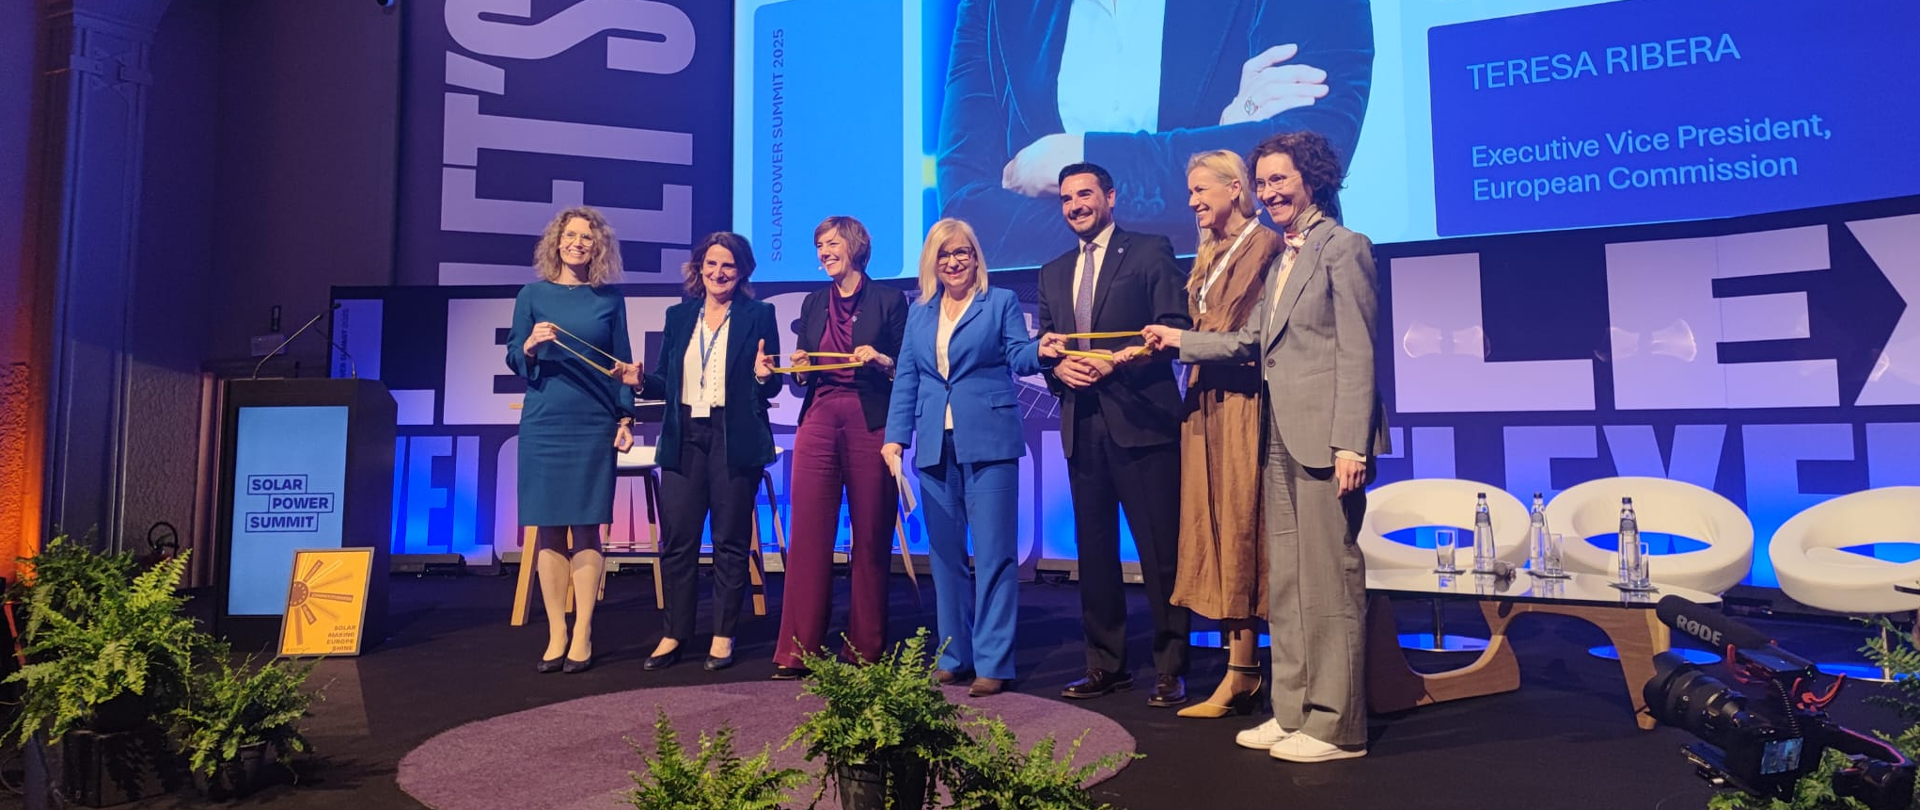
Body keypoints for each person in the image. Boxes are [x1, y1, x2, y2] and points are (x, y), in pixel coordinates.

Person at [1143, 130, 1390, 762]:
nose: (1270, 192)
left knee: (1328, 585)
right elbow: (1250, 341)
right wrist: (1180, 342)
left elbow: (1358, 352)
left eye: (1280, 179)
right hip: (1275, 436)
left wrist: (1351, 445)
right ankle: (1293, 711)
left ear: (1313, 179)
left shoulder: (1345, 247)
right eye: (1263, 182)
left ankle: (1337, 727)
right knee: (1286, 585)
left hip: (1327, 442)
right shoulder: (1284, 257)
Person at [935, 0, 1375, 267]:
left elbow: (1310, 160)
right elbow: (967, 212)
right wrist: (1223, 152)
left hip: (1254, 320)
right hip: (1062, 343)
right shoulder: (991, 7)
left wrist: (1074, 162)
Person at [1034, 162, 1191, 707]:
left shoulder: (1149, 251)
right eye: (1066, 198)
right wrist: (1057, 366)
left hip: (1143, 422)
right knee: (1095, 553)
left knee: (1161, 553)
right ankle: (1105, 664)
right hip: (1082, 424)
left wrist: (1116, 360)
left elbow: (1176, 327)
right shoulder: (1052, 271)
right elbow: (1049, 346)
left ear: (1111, 196)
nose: (1075, 205)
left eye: (1084, 194)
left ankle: (1171, 667)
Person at [882, 217, 1047, 698]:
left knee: (994, 555)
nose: (954, 262)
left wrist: (1043, 350)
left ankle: (993, 661)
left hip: (989, 440)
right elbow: (908, 377)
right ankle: (954, 656)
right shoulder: (920, 312)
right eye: (944, 254)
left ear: (976, 257)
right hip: (934, 445)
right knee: (944, 557)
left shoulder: (1000, 302)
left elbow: (1018, 356)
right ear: (931, 262)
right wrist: (896, 437)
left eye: (962, 252)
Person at [618, 232, 782, 673]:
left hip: (734, 437)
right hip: (684, 436)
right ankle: (675, 633)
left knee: (730, 541)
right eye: (711, 264)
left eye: (728, 265)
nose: (718, 272)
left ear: (742, 271)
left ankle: (724, 634)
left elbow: (772, 385)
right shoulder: (679, 316)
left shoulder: (759, 315)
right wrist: (640, 381)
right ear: (699, 268)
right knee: (678, 540)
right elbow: (664, 381)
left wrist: (764, 375)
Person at [1169, 149, 1282, 719]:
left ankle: (1247, 670)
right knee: (1212, 527)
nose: (1192, 202)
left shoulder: (1266, 244)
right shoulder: (1210, 251)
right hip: (1205, 401)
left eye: (1200, 190)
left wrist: (1180, 342)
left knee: (1241, 525)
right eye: (1190, 192)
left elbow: (1251, 338)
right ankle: (1240, 668)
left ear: (1236, 188)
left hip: (1242, 401)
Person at [772, 217, 909, 678]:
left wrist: (882, 360)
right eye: (819, 246)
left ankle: (864, 648)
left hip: (870, 420)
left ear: (855, 246)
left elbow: (906, 368)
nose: (824, 252)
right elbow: (802, 375)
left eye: (831, 243)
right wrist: (798, 366)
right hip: (819, 417)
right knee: (808, 535)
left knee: (870, 535)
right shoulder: (813, 302)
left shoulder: (889, 299)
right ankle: (798, 649)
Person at [505, 206, 635, 675]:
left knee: (586, 527)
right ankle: (556, 631)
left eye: (587, 237)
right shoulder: (532, 295)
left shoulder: (609, 299)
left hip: (593, 422)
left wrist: (626, 417)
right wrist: (529, 345)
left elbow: (623, 364)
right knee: (548, 529)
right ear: (556, 241)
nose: (577, 243)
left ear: (598, 247)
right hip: (545, 423)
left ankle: (583, 631)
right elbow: (514, 357)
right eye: (570, 235)